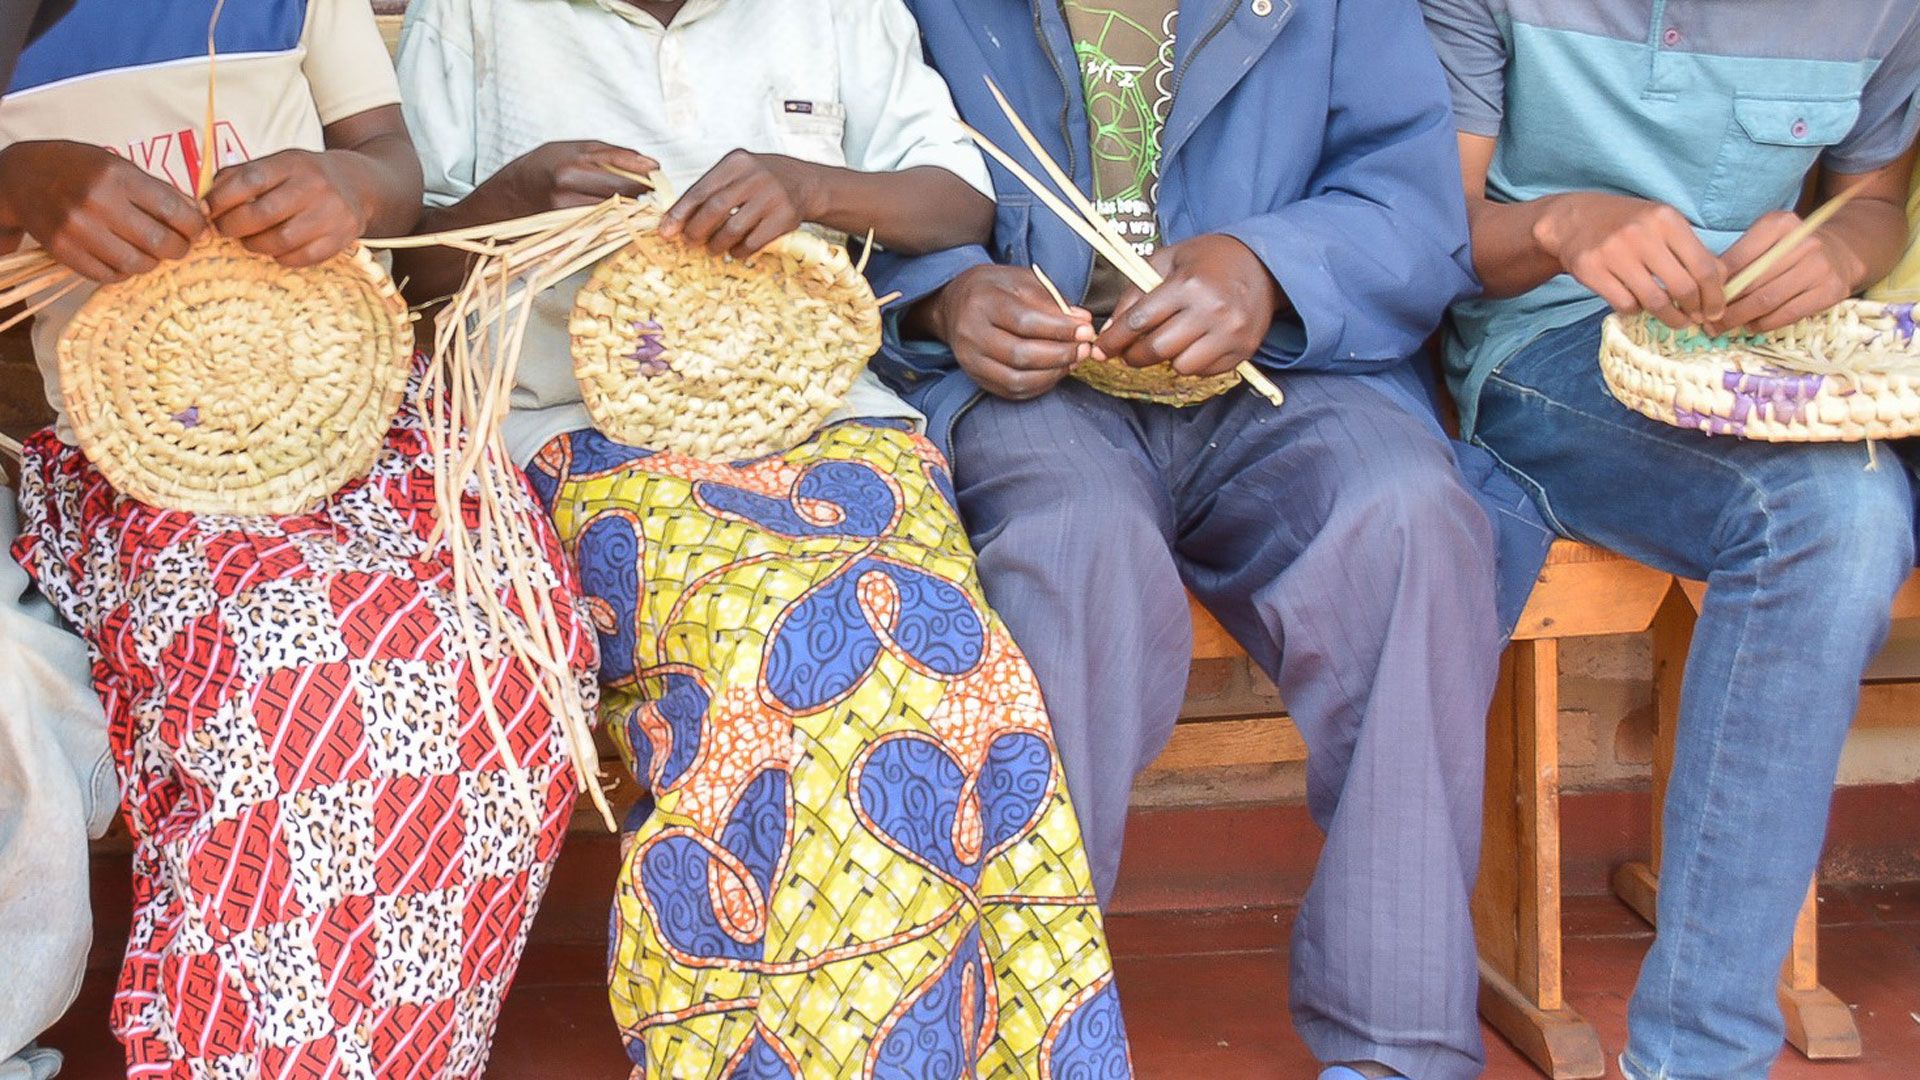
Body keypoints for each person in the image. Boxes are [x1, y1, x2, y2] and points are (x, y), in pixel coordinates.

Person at [394, 0, 1133, 1076]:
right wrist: (509, 203)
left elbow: (956, 195)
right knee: (762, 670)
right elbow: (404, 278)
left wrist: (809, 186)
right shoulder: (474, 15)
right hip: (581, 437)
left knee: (957, 665)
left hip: (831, 420)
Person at [867, 2, 1555, 1078]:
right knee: (1072, 548)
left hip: (1292, 377)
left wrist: (1262, 262)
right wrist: (943, 297)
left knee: (1415, 527)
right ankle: (1028, 1040)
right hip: (1041, 392)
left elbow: (1420, 212)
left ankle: (1400, 1049)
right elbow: (847, 179)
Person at [0, 0, 598, 1074]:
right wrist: (14, 184)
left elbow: (386, 155)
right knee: (289, 684)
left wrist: (352, 189)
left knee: (495, 663)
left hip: (358, 402)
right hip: (132, 448)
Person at [1418, 2, 1920, 1077]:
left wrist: (1834, 253)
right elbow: (1425, 228)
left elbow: (1873, 196)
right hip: (1544, 348)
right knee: (1835, 521)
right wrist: (1561, 222)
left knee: (1850, 509)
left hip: (1769, 358)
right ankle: (1702, 1058)